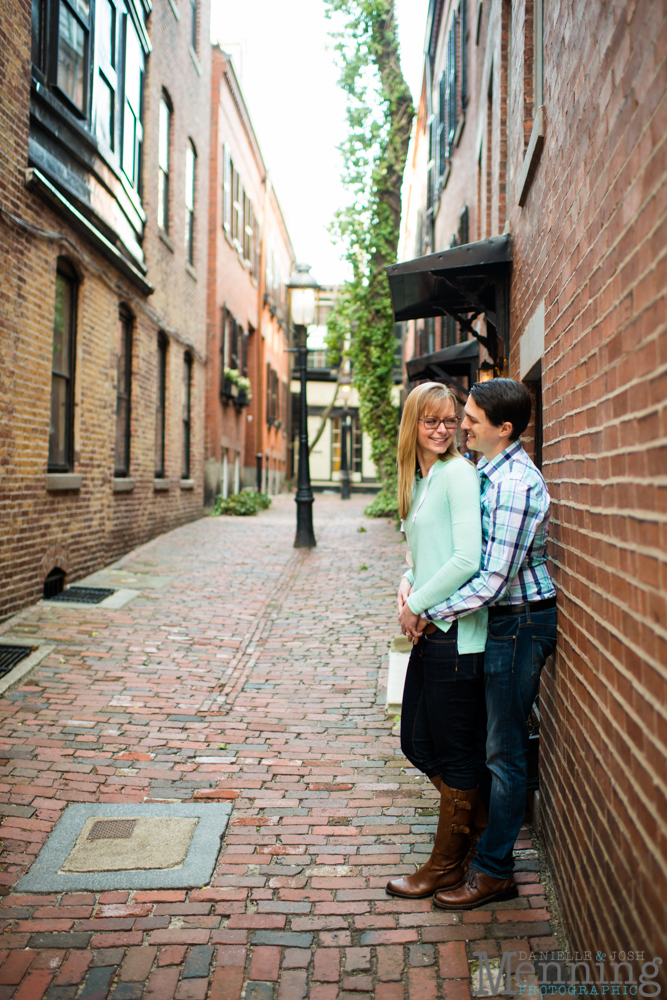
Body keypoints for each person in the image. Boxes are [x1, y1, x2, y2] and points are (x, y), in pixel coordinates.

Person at [401, 378, 557, 910]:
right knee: (473, 750)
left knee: (502, 753)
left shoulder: (507, 482)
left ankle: (489, 867)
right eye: (444, 418)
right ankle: (475, 838)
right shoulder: (481, 473)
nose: (457, 426)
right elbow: (435, 551)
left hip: (516, 622)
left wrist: (423, 610)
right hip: (493, 623)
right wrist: (412, 591)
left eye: (465, 417)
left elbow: (487, 575)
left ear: (502, 428)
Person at [385, 382, 489, 900]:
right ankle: (482, 830)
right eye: (432, 421)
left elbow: (467, 559)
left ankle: (447, 863)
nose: (444, 429)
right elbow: (421, 555)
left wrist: (418, 604)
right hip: (430, 631)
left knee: (454, 752)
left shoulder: (459, 475)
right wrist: (408, 585)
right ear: (414, 424)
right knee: (415, 742)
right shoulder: (421, 480)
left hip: (457, 636)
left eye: (451, 420)